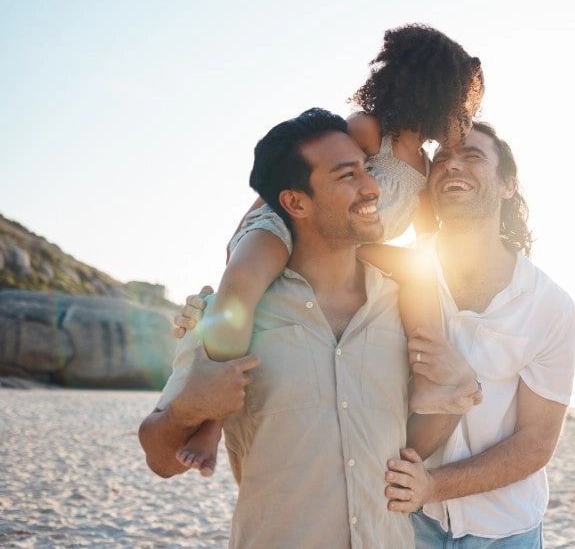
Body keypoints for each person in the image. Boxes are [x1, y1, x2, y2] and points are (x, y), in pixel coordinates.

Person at [138, 108, 470, 548]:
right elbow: (162, 460)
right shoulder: (228, 316)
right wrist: (189, 411)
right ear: (296, 202)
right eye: (346, 176)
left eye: (366, 169)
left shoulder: (406, 305)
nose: (371, 186)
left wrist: (457, 394)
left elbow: (413, 446)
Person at [176, 23, 485, 476]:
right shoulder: (369, 131)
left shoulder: (423, 166)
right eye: (461, 105)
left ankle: (429, 382)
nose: (465, 116)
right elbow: (301, 171)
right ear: (434, 93)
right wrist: (245, 228)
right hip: (291, 225)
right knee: (243, 287)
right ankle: (211, 422)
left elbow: (427, 237)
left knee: (418, 271)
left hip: (354, 248)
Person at [382, 122, 575, 547]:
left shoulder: (549, 305)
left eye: (471, 156)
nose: (452, 165)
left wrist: (432, 486)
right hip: (404, 522)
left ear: (508, 185)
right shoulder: (391, 274)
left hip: (505, 529)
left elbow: (537, 442)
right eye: (442, 159)